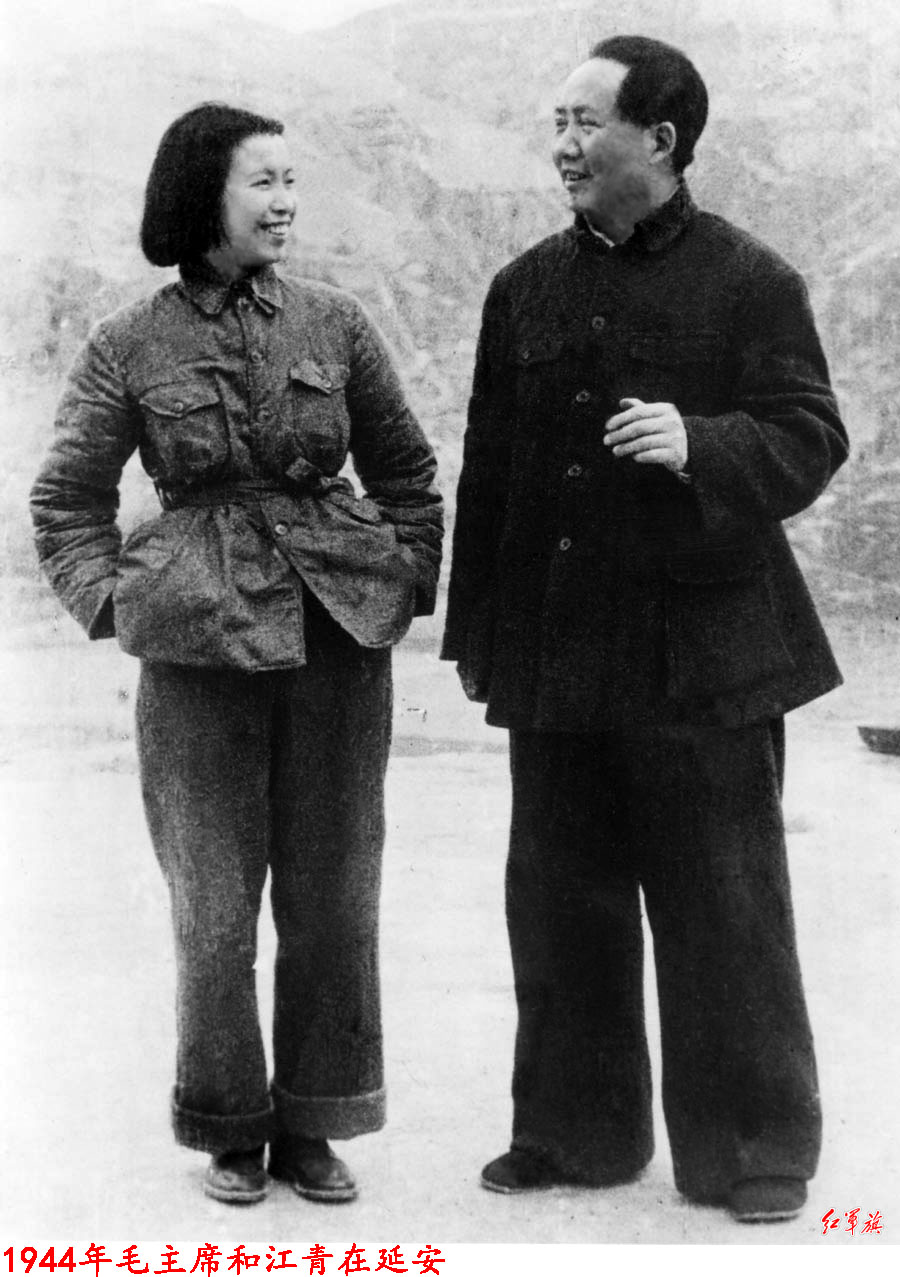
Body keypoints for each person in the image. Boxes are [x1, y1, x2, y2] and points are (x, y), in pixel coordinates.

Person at [441, 35, 847, 1224]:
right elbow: (490, 471)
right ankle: (575, 1132)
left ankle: (754, 1147)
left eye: (585, 122)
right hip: (559, 648)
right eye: (556, 123)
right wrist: (480, 637)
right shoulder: (523, 287)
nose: (563, 145)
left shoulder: (752, 279)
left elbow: (810, 434)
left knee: (726, 905)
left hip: (703, 654)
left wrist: (699, 442)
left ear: (660, 141)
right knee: (558, 899)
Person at [31, 102, 443, 1207]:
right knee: (213, 911)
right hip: (195, 655)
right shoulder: (129, 340)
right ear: (201, 193)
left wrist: (401, 582)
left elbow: (408, 474)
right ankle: (227, 1122)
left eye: (291, 180)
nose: (286, 201)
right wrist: (116, 605)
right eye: (264, 181)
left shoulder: (337, 321)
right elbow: (66, 501)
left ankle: (316, 1120)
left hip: (337, 644)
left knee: (335, 899)